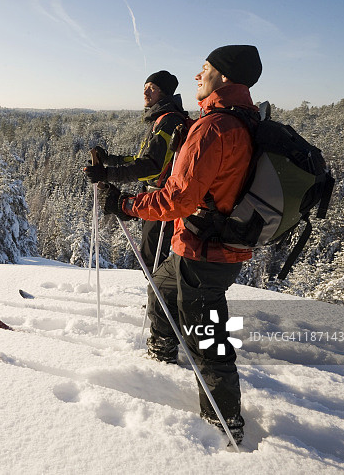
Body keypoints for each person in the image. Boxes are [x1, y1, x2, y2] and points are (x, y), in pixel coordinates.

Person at [98, 45, 263, 445]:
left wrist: (127, 205)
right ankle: (161, 355)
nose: (197, 76)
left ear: (224, 76)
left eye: (205, 68)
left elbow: (178, 198)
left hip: (206, 253)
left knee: (207, 341)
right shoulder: (242, 119)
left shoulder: (214, 128)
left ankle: (225, 425)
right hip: (204, 247)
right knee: (161, 287)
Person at [83, 70, 189, 270]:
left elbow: (152, 167)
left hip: (161, 199)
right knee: (151, 258)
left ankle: (159, 292)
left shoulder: (168, 121)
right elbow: (141, 160)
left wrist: (107, 174)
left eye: (152, 88)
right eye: (145, 87)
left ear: (164, 93)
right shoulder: (162, 119)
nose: (145, 92)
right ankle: (157, 291)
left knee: (152, 261)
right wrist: (110, 160)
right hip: (156, 197)